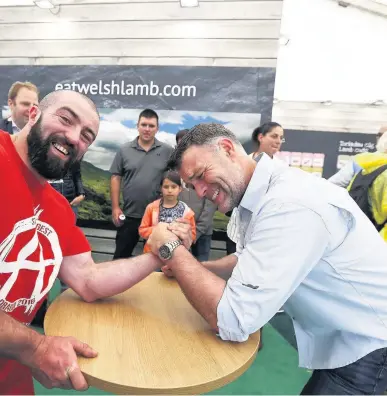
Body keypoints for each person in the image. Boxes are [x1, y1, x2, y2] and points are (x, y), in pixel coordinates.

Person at [146, 123, 387, 395]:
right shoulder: (262, 193)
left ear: (226, 149)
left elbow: (233, 321)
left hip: (371, 343)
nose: (200, 191)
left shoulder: (288, 204)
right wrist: (199, 269)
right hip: (347, 338)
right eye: (192, 185)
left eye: (201, 175)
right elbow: (248, 259)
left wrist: (173, 252)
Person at [0, 90, 167, 394]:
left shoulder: (57, 209)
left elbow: (89, 279)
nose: (75, 137)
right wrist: (35, 347)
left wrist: (159, 254)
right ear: (33, 114)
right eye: (66, 119)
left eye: (87, 136)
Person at [110, 109, 173, 259]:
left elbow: (173, 181)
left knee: (157, 259)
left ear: (157, 128)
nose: (147, 129)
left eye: (151, 126)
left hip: (157, 217)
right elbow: (115, 177)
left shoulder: (168, 151)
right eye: (143, 124)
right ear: (137, 126)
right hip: (129, 215)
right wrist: (115, 207)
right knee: (120, 258)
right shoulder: (124, 150)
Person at [176, 129, 217, 261]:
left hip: (202, 232)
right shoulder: (172, 169)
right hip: (178, 230)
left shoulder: (208, 168)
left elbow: (211, 203)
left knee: (201, 269)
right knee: (177, 269)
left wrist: (196, 232)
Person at [139, 170, 196, 254]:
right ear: (161, 188)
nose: (169, 190)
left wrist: (178, 233)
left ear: (180, 189)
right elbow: (142, 231)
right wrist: (160, 229)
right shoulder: (151, 208)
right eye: (166, 187)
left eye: (173, 187)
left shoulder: (187, 212)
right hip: (153, 255)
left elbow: (193, 236)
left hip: (176, 256)